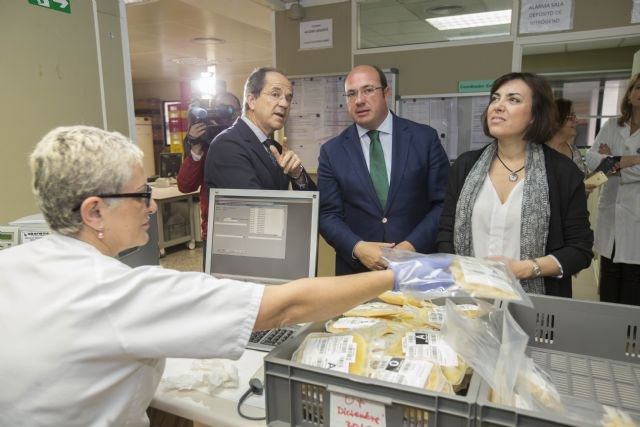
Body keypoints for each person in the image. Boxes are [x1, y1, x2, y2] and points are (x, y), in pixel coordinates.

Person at [0, 125, 433, 426]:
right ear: (94, 210)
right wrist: (401, 274)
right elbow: (286, 307)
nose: (152, 206)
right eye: (141, 195)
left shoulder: (13, 263)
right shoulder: (116, 292)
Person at [436, 72, 593, 297]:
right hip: (467, 299)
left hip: (533, 304)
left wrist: (526, 269)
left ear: (534, 116)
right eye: (495, 98)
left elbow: (580, 250)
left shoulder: (562, 172)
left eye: (513, 99)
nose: (498, 106)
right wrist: (456, 273)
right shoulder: (465, 165)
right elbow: (446, 231)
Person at [317, 64, 450, 275]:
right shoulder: (332, 152)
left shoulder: (424, 139)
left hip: (416, 267)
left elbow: (443, 203)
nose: (359, 100)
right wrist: (358, 248)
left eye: (368, 90)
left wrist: (411, 246)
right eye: (351, 94)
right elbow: (327, 215)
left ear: (386, 93)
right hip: (357, 272)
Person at [204, 67, 316, 191]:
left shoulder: (276, 149)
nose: (285, 104)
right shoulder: (227, 145)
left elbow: (315, 203)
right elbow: (254, 207)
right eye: (275, 94)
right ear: (252, 100)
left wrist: (298, 176)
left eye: (288, 98)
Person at [585, 73, 640, 305]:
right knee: (608, 284)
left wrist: (611, 161)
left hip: (635, 219)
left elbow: (605, 165)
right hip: (609, 215)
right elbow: (591, 159)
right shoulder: (611, 125)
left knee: (632, 287)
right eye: (637, 88)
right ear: (629, 94)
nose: (639, 94)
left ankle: (628, 342)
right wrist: (634, 160)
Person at [177, 92, 241, 242]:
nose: (226, 114)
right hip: (214, 229)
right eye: (221, 109)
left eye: (231, 109)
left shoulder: (247, 141)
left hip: (245, 224)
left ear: (240, 112)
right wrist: (196, 149)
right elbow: (185, 186)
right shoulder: (205, 141)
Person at [546, 98, 591, 177]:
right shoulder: (539, 152)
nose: (576, 120)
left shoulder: (573, 150)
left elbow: (584, 178)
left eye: (574, 116)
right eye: (571, 116)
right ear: (556, 120)